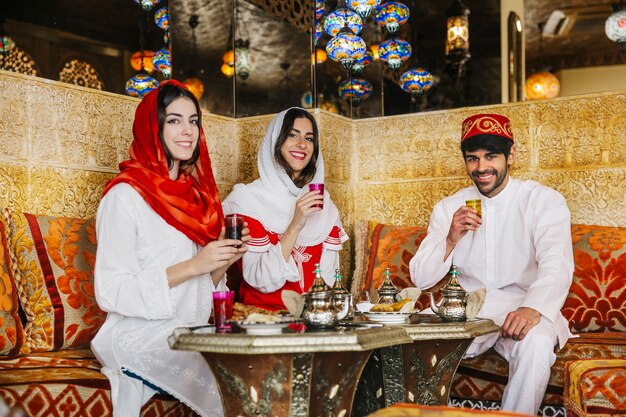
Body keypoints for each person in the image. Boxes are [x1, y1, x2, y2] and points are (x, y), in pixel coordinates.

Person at [92, 80, 248, 417]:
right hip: (137, 336)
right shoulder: (124, 196)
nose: (187, 130)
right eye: (174, 119)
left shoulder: (194, 198)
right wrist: (195, 265)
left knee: (253, 365)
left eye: (193, 121)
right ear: (153, 126)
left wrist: (222, 259)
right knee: (235, 384)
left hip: (186, 331)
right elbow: (110, 291)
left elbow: (196, 292)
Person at [409, 113, 574, 415]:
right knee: (404, 341)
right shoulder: (449, 207)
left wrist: (533, 308)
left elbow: (557, 262)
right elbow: (420, 278)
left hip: (522, 306)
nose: (481, 168)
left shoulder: (542, 200)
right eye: (472, 159)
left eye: (491, 156)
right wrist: (450, 237)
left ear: (511, 155)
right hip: (470, 313)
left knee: (536, 344)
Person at [222, 107, 348, 311]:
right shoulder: (249, 202)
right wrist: (295, 226)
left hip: (313, 324)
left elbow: (329, 280)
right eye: (292, 135)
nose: (302, 144)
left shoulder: (324, 207)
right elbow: (261, 279)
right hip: (263, 323)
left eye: (309, 138)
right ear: (275, 141)